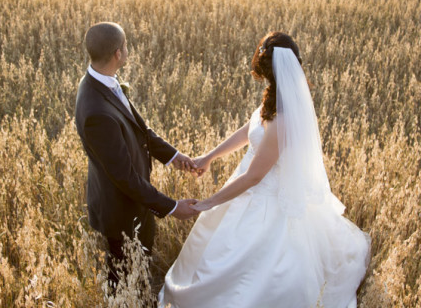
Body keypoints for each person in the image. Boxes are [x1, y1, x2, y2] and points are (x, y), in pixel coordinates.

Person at [159, 32, 371, 308]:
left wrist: (209, 203)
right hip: (245, 190)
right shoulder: (274, 98)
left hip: (266, 199)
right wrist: (209, 156)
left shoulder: (283, 119)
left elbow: (254, 177)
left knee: (253, 266)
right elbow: (250, 130)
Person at [74, 22, 200, 289]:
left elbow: (139, 129)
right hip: (121, 210)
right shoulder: (97, 112)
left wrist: (174, 156)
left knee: (136, 273)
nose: (128, 49)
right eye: (126, 45)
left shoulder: (100, 80)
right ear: (118, 54)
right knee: (124, 282)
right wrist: (173, 207)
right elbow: (125, 177)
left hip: (132, 202)